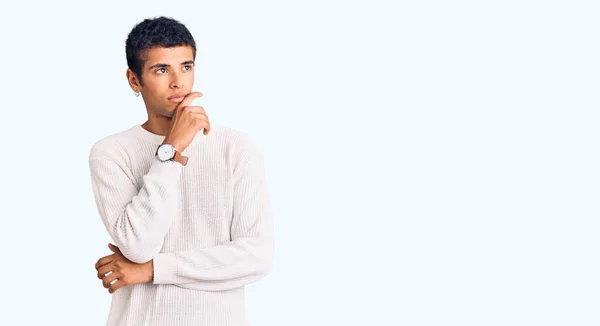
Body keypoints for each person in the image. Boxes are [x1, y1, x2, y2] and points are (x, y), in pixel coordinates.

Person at [88, 16, 274, 326]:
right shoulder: (111, 152)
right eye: (162, 70)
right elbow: (137, 245)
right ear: (134, 80)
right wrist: (170, 150)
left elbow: (256, 257)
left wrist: (151, 270)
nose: (178, 82)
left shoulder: (236, 148)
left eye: (186, 67)